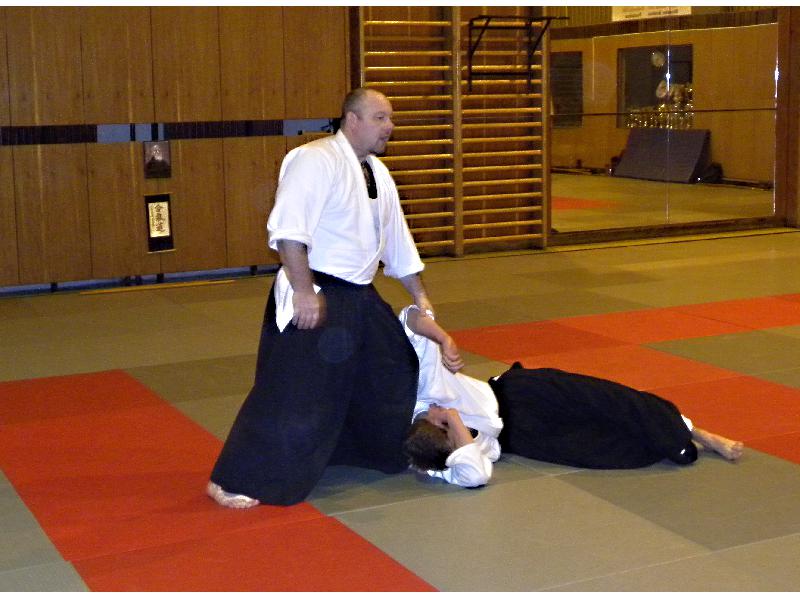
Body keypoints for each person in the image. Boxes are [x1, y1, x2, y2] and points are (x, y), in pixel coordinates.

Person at [207, 88, 433, 508]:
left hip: (359, 294)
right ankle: (236, 478)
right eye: (380, 118)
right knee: (296, 389)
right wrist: (304, 290)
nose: (390, 127)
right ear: (352, 119)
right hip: (317, 287)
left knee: (391, 366)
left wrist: (420, 296)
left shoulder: (377, 173)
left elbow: (397, 242)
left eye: (390, 118)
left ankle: (356, 451)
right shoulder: (315, 160)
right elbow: (289, 230)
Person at [399, 305, 744, 488]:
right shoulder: (438, 458)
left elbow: (410, 318)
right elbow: (476, 476)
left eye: (436, 413)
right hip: (524, 438)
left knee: (609, 400)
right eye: (447, 424)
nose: (441, 409)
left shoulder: (427, 390)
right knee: (604, 453)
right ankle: (675, 441)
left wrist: (442, 337)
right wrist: (455, 423)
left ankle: (693, 431)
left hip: (519, 393)